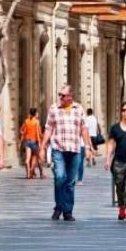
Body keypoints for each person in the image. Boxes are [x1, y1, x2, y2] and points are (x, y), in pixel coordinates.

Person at [38, 84, 93, 222]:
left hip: (74, 150)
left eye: (63, 95)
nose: (60, 97)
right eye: (59, 95)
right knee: (60, 177)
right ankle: (58, 207)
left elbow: (84, 129)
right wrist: (42, 148)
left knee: (70, 182)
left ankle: (67, 211)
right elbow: (48, 129)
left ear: (70, 96)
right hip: (58, 149)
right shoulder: (54, 109)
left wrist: (87, 147)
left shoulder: (79, 109)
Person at [19, 108, 43, 178]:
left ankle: (28, 174)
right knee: (36, 158)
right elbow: (38, 134)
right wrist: (39, 143)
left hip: (27, 142)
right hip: (34, 142)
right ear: (35, 114)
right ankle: (34, 172)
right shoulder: (36, 122)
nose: (37, 114)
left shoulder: (26, 121)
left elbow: (21, 131)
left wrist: (24, 134)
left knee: (27, 159)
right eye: (37, 113)